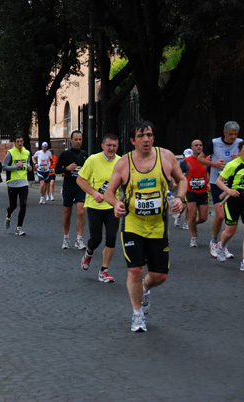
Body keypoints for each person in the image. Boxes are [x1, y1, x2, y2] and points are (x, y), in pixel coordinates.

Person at [104, 121, 186, 332]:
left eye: (149, 135)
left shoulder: (166, 157)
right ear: (133, 140)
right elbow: (109, 192)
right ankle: (137, 314)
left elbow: (182, 180)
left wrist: (180, 198)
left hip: (158, 224)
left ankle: (145, 288)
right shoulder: (123, 163)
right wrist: (116, 204)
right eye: (141, 136)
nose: (146, 139)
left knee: (160, 275)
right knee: (135, 270)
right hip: (133, 223)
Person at [76, 134, 121, 283]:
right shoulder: (93, 160)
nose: (111, 148)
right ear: (102, 146)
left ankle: (104, 271)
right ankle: (89, 253)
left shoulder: (121, 162)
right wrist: (93, 192)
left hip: (112, 205)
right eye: (109, 145)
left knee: (112, 237)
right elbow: (80, 179)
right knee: (96, 239)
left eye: (114, 145)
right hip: (95, 205)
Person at [197, 121, 242, 259]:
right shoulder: (215, 143)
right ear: (224, 133)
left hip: (234, 184)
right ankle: (214, 241)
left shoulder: (240, 143)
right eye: (231, 134)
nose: (233, 137)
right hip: (218, 183)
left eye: (235, 134)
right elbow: (200, 158)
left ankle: (224, 245)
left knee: (230, 217)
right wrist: (214, 164)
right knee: (221, 215)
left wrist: (240, 157)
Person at [213, 140, 244, 272]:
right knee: (230, 231)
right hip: (233, 200)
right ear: (240, 152)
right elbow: (219, 181)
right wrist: (228, 191)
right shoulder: (232, 165)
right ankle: (221, 246)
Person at [55, 130, 88, 249]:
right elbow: (57, 170)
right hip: (68, 186)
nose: (78, 142)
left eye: (80, 139)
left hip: (80, 187)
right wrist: (67, 169)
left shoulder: (85, 154)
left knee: (81, 211)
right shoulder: (65, 154)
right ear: (71, 140)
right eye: (76, 139)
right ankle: (66, 238)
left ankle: (79, 239)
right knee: (67, 214)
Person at [2, 133, 32, 236]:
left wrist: (29, 166)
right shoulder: (10, 153)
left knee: (23, 205)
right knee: (13, 205)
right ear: (14, 142)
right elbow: (4, 166)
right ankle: (8, 214)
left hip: (23, 182)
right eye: (18, 142)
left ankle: (19, 228)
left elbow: (27, 162)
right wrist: (15, 166)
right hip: (13, 183)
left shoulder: (27, 152)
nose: (20, 143)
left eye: (21, 141)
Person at [181, 139, 209, 247]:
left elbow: (210, 172)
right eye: (196, 145)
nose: (199, 147)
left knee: (203, 218)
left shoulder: (207, 160)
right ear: (192, 148)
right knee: (192, 215)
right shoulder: (186, 161)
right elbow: (179, 174)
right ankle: (193, 238)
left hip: (203, 192)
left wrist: (209, 183)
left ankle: (192, 224)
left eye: (200, 145)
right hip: (190, 192)